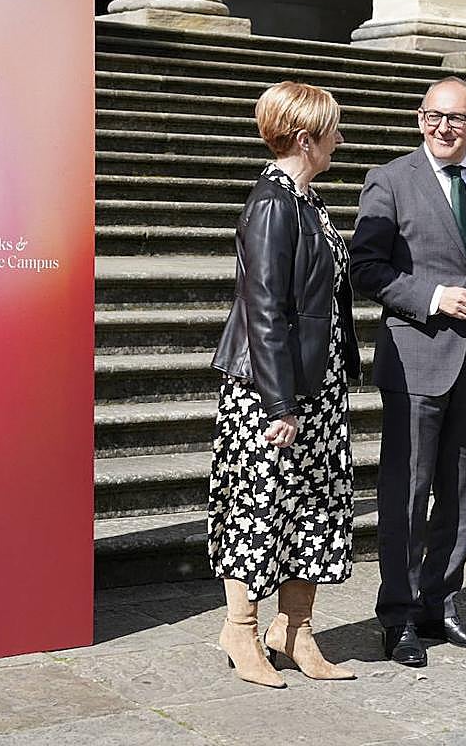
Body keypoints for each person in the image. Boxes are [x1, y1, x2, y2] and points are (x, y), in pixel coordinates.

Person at [350, 76, 466, 668]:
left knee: (460, 495)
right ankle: (396, 616)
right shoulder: (391, 180)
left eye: (454, 119)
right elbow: (366, 269)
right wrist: (434, 297)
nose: (442, 128)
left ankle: (440, 605)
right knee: (406, 493)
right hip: (417, 358)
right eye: (431, 117)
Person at [208, 81, 361, 688]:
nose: (341, 139)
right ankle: (240, 629)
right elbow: (264, 307)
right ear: (306, 138)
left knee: (314, 507)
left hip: (314, 385)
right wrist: (280, 402)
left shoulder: (307, 200)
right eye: (334, 130)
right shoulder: (273, 203)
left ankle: (294, 628)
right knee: (258, 508)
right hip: (270, 391)